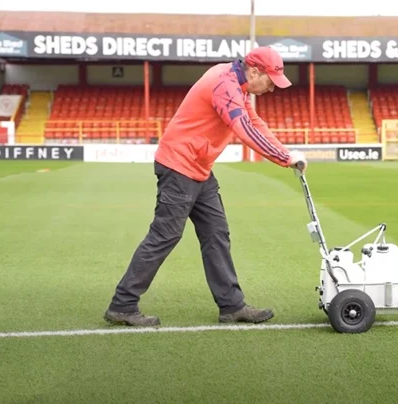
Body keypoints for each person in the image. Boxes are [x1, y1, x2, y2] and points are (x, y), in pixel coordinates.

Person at [104, 46, 307, 327]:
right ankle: (122, 305)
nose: (271, 89)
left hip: (199, 169)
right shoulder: (224, 84)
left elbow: (255, 123)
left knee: (216, 233)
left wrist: (286, 152)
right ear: (255, 71)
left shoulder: (239, 84)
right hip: (178, 166)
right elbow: (243, 129)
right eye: (270, 82)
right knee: (165, 236)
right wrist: (285, 159)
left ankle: (231, 306)